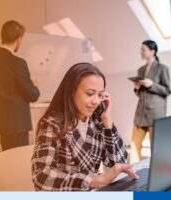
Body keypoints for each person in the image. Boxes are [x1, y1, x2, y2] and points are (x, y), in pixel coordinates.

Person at [31, 63, 138, 191]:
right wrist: (97, 180)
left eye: (100, 95)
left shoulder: (97, 121)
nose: (96, 101)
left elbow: (120, 162)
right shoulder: (52, 123)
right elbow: (42, 177)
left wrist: (107, 121)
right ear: (71, 92)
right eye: (89, 94)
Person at [0, 20, 40, 150]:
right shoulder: (17, 63)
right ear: (19, 39)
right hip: (18, 125)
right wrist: (34, 86)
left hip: (2, 123)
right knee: (17, 162)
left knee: (7, 160)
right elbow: (32, 95)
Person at [130, 40, 171, 162]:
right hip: (140, 114)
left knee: (157, 150)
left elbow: (167, 90)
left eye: (143, 49)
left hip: (155, 115)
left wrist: (152, 84)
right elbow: (140, 94)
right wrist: (136, 88)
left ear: (152, 51)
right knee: (134, 147)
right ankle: (134, 175)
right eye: (141, 49)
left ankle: (157, 175)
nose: (141, 52)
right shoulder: (140, 70)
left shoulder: (162, 68)